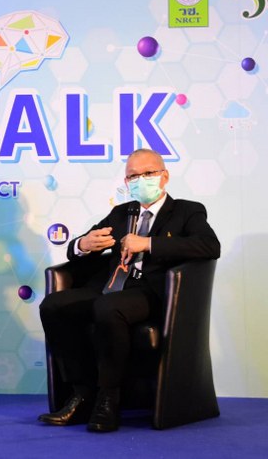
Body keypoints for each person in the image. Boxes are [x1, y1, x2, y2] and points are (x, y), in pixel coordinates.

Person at [38, 148, 220, 432]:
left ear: (164, 176)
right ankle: (82, 393)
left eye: (148, 173)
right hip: (111, 287)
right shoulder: (121, 213)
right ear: (126, 182)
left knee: (108, 308)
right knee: (53, 305)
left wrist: (148, 244)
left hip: (151, 292)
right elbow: (81, 245)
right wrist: (82, 244)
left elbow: (210, 246)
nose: (140, 180)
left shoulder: (187, 211)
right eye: (133, 176)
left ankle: (109, 398)